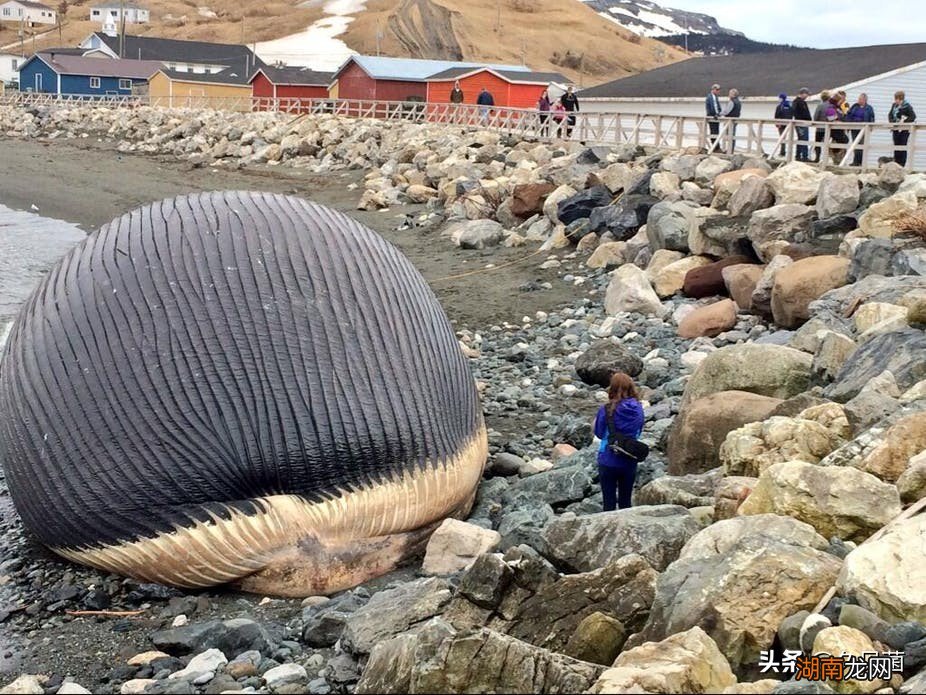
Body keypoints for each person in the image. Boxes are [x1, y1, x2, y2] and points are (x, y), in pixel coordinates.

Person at [593, 372, 645, 512]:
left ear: (612, 388)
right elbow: (639, 431)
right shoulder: (638, 409)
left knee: (608, 503)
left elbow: (598, 433)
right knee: (626, 502)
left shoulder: (606, 409)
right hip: (629, 458)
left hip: (608, 458)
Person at [846, 93, 875, 166]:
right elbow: (849, 115)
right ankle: (855, 161)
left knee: (861, 145)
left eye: (860, 99)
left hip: (863, 128)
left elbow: (871, 117)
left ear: (865, 100)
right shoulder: (855, 106)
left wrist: (871, 127)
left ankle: (860, 162)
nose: (859, 100)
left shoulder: (869, 108)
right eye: (858, 99)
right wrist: (848, 125)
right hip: (854, 128)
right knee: (855, 144)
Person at [889, 90, 916, 166]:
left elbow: (913, 116)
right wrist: (892, 122)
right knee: (896, 145)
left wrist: (904, 121)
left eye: (897, 99)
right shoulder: (894, 105)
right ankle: (896, 163)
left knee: (903, 146)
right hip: (896, 129)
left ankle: (902, 164)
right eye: (895, 99)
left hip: (904, 130)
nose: (896, 101)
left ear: (901, 99)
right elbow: (890, 115)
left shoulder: (907, 106)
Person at [793, 87, 813, 162]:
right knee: (804, 139)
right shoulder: (799, 102)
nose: (807, 96)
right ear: (803, 94)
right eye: (806, 94)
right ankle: (804, 156)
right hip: (802, 123)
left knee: (801, 139)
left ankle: (798, 155)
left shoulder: (797, 102)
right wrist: (808, 120)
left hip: (801, 123)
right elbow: (803, 113)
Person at [813, 90, 832, 162]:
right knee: (827, 144)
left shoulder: (820, 106)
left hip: (820, 128)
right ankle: (826, 159)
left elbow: (815, 117)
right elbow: (832, 118)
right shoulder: (831, 106)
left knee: (817, 143)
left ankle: (817, 157)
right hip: (829, 129)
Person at [722, 88, 742, 152]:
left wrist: (718, 114)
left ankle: (729, 150)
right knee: (732, 135)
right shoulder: (738, 102)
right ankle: (731, 149)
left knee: (729, 135)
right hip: (735, 120)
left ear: (733, 94)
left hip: (730, 120)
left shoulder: (732, 101)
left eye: (730, 93)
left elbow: (726, 111)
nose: (729, 94)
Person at [774, 92, 793, 157]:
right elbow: (791, 115)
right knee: (785, 138)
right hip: (789, 124)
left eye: (779, 98)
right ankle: (786, 152)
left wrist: (777, 124)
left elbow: (776, 115)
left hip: (781, 125)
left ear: (781, 98)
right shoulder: (789, 106)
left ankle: (782, 152)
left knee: (782, 138)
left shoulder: (780, 106)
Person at [705, 83, 722, 150]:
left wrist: (719, 113)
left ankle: (717, 146)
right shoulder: (709, 97)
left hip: (716, 116)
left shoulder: (716, 97)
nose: (718, 91)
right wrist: (713, 114)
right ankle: (714, 147)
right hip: (712, 116)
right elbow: (711, 108)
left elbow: (718, 106)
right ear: (713, 89)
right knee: (713, 131)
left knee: (717, 132)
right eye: (717, 90)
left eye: (719, 90)